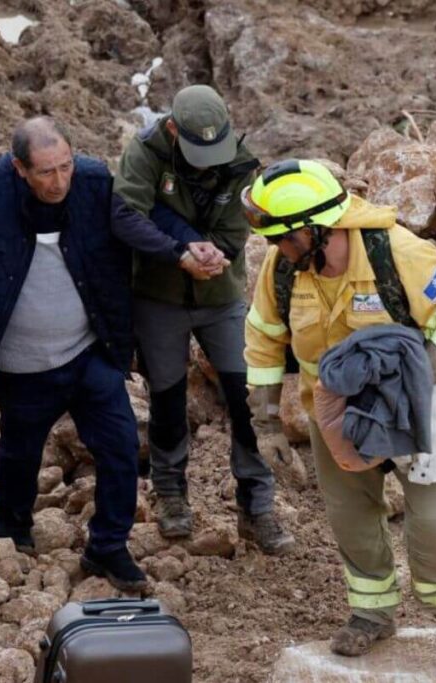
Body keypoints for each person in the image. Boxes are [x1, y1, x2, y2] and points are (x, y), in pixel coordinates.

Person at [0, 116, 202, 591]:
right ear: (19, 168)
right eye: (46, 172)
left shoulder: (94, 181)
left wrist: (188, 244)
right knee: (21, 448)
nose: (59, 182)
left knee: (119, 446)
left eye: (65, 167)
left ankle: (108, 548)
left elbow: (145, 211)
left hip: (88, 349)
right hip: (20, 364)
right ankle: (11, 525)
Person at [243, 159, 436, 656]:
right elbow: (265, 339)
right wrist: (266, 424)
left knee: (435, 517)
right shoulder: (285, 268)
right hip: (333, 412)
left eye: (284, 239)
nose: (277, 250)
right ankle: (372, 612)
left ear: (317, 228)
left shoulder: (400, 253)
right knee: (351, 514)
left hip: (417, 403)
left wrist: (413, 381)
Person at [114, 84, 294, 555]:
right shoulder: (146, 151)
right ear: (173, 129)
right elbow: (125, 214)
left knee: (248, 394)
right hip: (159, 296)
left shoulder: (237, 158)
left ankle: (257, 506)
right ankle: (171, 494)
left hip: (220, 294)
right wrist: (178, 253)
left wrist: (215, 253)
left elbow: (239, 225)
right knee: (168, 400)